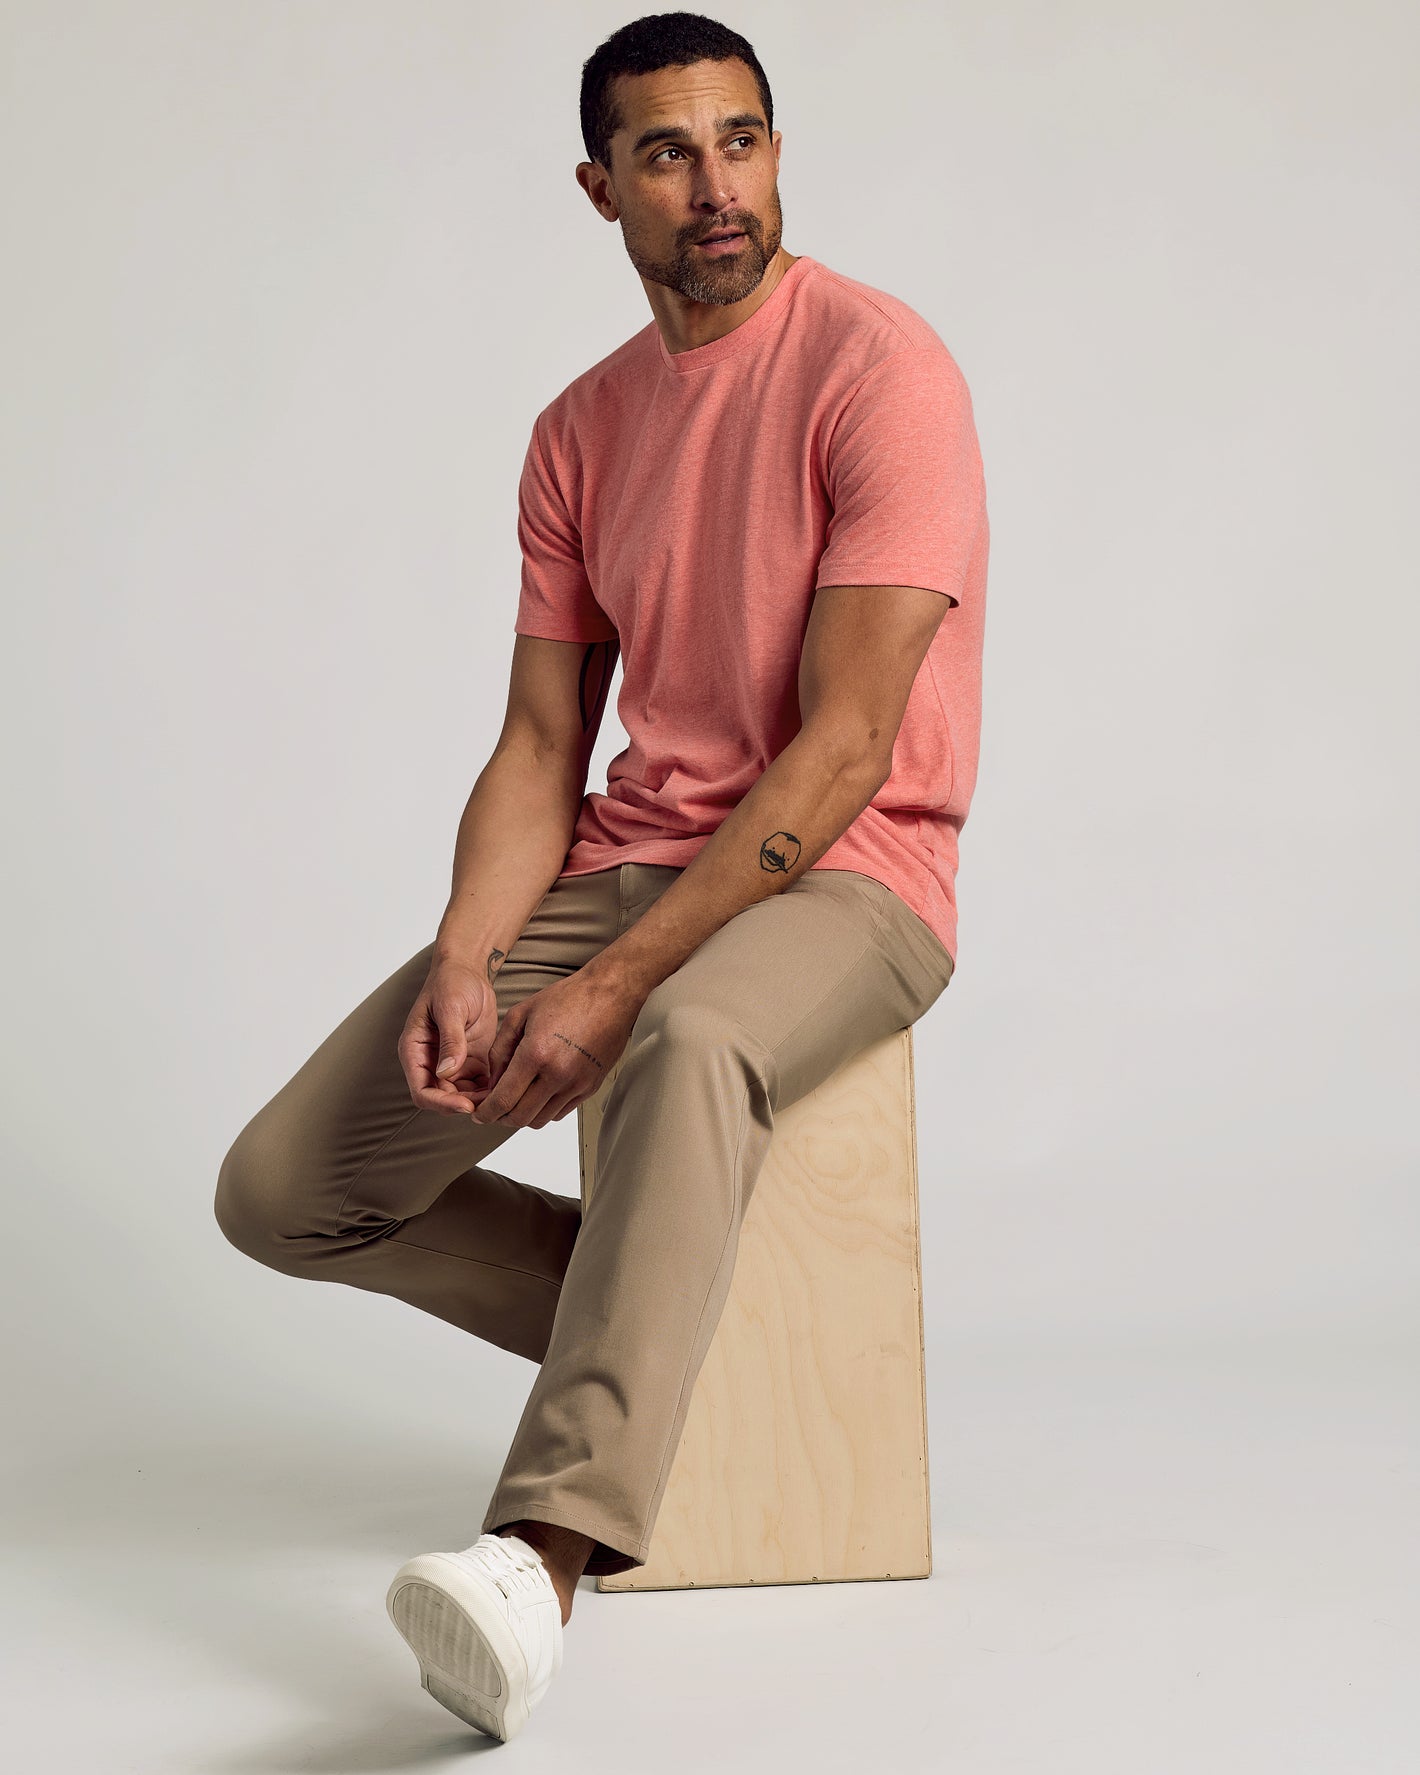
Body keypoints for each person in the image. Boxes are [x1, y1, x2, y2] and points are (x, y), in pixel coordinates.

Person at [214, 9, 989, 1744]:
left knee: (685, 1044)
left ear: (778, 151)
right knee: (287, 1187)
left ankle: (538, 1559)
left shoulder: (883, 368)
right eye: (666, 151)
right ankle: (668, 1304)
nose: (715, 186)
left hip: (855, 877)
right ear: (599, 187)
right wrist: (472, 959)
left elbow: (851, 744)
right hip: (634, 856)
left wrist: (618, 985)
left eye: (743, 139)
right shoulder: (579, 429)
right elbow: (537, 744)